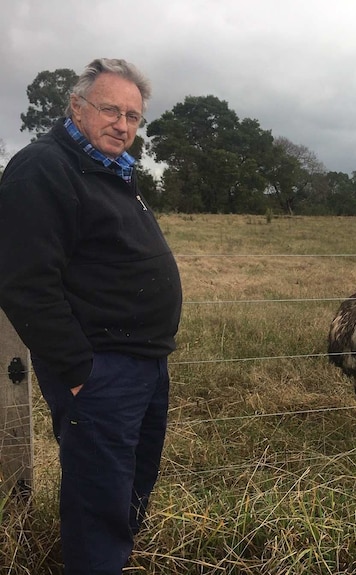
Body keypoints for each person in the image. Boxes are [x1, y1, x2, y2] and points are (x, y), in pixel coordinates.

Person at [0, 58, 182, 575]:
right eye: (110, 110)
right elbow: (24, 282)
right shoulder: (44, 168)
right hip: (99, 368)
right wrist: (79, 372)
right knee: (98, 499)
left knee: (130, 486)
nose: (122, 125)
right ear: (76, 108)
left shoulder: (111, 171)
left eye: (132, 116)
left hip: (143, 364)